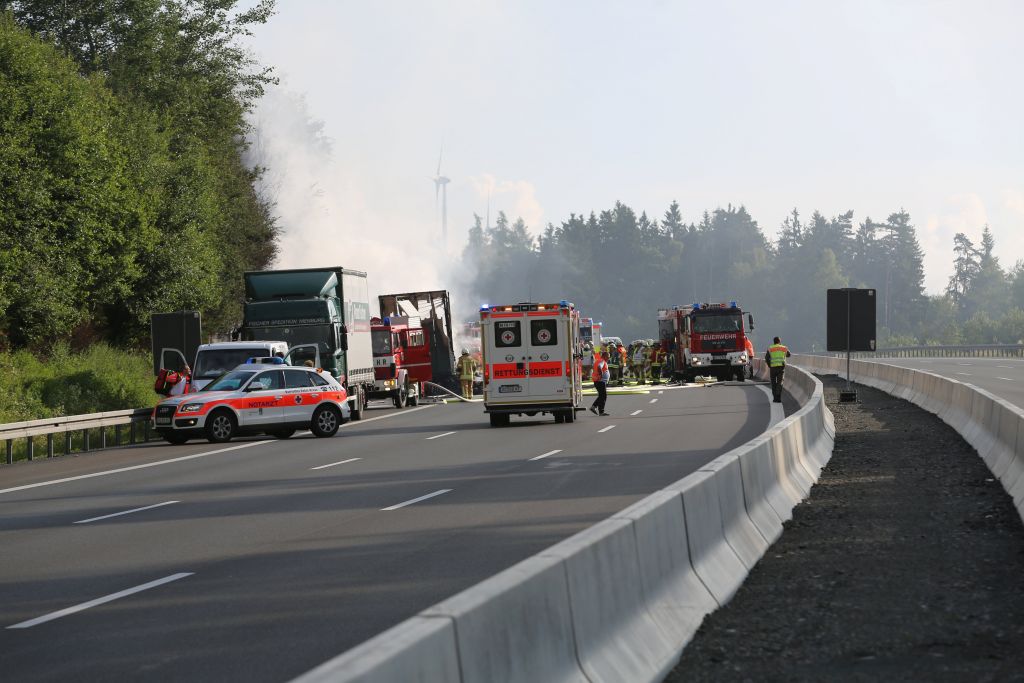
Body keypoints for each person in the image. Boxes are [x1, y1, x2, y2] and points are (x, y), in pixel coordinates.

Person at [765, 336, 791, 403]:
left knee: (773, 383)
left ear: (774, 342)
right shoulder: (784, 348)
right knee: (780, 383)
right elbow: (789, 355)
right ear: (779, 341)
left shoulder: (770, 348)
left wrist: (769, 365)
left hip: (773, 368)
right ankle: (778, 397)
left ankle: (775, 398)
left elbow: (767, 358)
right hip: (781, 368)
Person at [590, 350, 610, 416]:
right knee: (603, 396)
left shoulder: (598, 360)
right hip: (600, 381)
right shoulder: (601, 361)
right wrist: (601, 374)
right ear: (604, 356)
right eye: (608, 356)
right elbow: (599, 367)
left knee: (602, 395)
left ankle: (593, 407)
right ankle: (601, 411)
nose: (609, 358)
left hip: (598, 381)